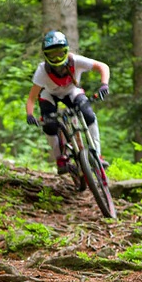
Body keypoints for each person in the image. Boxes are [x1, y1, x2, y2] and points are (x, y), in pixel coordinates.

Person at [25, 30, 110, 174]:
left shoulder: (75, 61)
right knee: (49, 125)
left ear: (66, 50)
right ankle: (61, 159)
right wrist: (30, 114)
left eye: (59, 52)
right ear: (46, 55)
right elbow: (31, 98)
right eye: (52, 53)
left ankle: (96, 155)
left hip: (72, 91)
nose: (57, 57)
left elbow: (103, 67)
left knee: (88, 114)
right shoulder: (42, 70)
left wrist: (104, 84)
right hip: (49, 95)